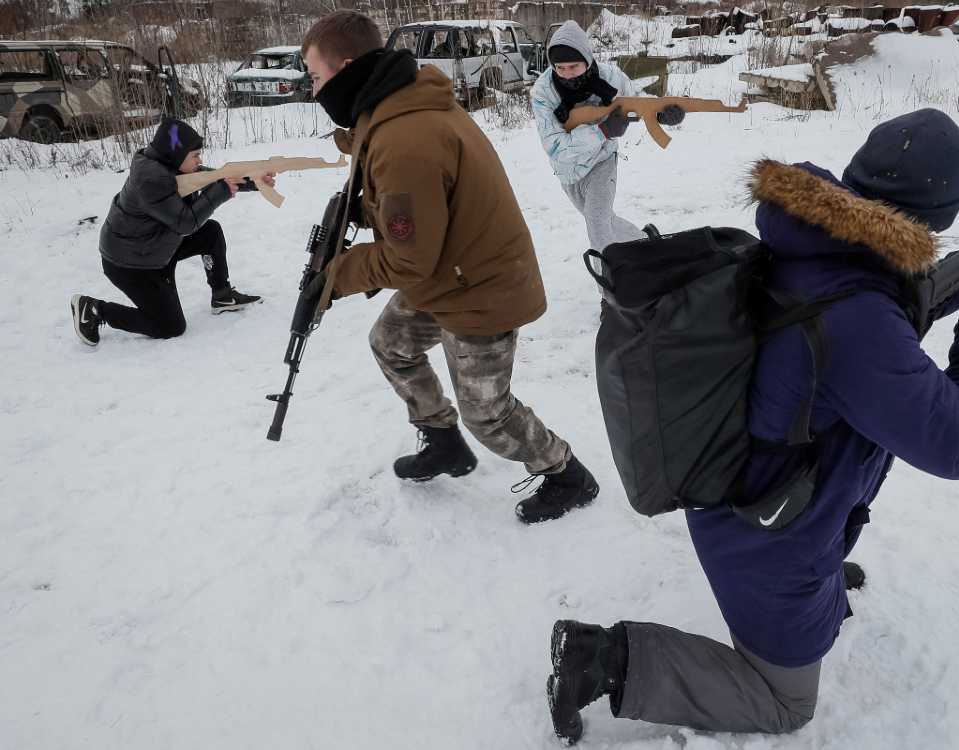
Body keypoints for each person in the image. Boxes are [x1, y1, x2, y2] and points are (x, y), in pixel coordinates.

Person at [543, 108, 959, 743]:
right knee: (783, 705)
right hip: (764, 531)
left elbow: (897, 298)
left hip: (760, 485)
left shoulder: (819, 241)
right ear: (939, 216)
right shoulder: (857, 319)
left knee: (825, 565)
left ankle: (823, 587)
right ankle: (603, 661)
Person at [301, 10, 599, 524]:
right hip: (450, 270)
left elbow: (405, 257)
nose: (313, 90)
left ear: (346, 68)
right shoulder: (393, 107)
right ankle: (442, 440)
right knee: (391, 344)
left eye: (314, 77)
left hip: (481, 290)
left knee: (489, 415)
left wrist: (337, 276)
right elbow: (417, 215)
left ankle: (565, 473)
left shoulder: (404, 138)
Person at [70, 118, 264, 346]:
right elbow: (185, 223)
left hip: (154, 247)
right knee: (170, 326)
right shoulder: (151, 179)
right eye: (195, 155)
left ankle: (222, 295)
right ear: (176, 155)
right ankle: (94, 309)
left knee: (210, 232)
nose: (200, 160)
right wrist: (221, 192)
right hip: (130, 264)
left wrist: (253, 181)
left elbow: (208, 177)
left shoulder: (169, 166)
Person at [531, 20, 685, 252]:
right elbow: (556, 148)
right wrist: (602, 130)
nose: (567, 75)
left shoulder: (610, 77)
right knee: (605, 221)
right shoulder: (543, 92)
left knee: (598, 227)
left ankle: (611, 276)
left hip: (602, 161)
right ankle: (646, 240)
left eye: (573, 66)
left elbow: (636, 101)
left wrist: (661, 114)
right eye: (560, 68)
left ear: (587, 59)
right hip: (568, 170)